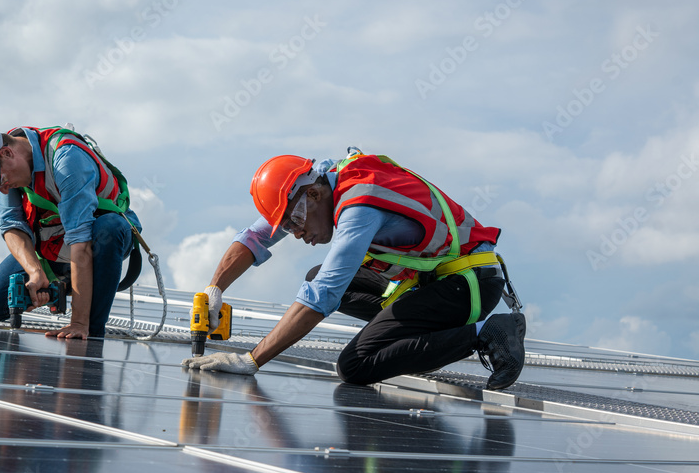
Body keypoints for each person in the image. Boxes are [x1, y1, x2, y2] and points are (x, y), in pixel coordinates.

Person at [182, 150, 526, 390]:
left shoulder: (359, 207)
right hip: (432, 281)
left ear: (315, 195)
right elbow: (257, 236)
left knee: (356, 366)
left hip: (468, 285)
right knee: (314, 274)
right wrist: (215, 289)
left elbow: (324, 296)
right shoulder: (327, 176)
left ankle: (487, 332)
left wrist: (252, 360)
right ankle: (414, 338)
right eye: (289, 227)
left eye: (298, 221)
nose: (298, 234)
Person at [0, 124, 141, 339]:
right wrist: (35, 271)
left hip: (98, 239)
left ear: (7, 153)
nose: (3, 190)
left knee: (110, 229)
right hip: (54, 245)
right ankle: (66, 283)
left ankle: (92, 333)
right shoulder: (1, 167)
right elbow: (11, 226)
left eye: (1, 182)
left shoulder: (66, 160)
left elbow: (81, 241)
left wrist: (78, 322)